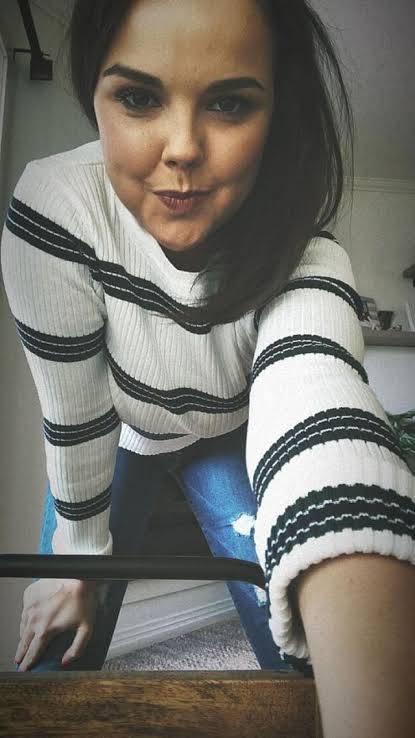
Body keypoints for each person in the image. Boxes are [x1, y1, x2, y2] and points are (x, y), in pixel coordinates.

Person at [1, 1, 414, 735]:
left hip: (228, 434)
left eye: (228, 103)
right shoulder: (55, 207)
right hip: (124, 433)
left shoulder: (308, 254)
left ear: (277, 112)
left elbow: (319, 409)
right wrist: (77, 558)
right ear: (93, 91)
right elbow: (75, 410)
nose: (182, 149)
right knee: (52, 652)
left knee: (301, 657)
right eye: (137, 96)